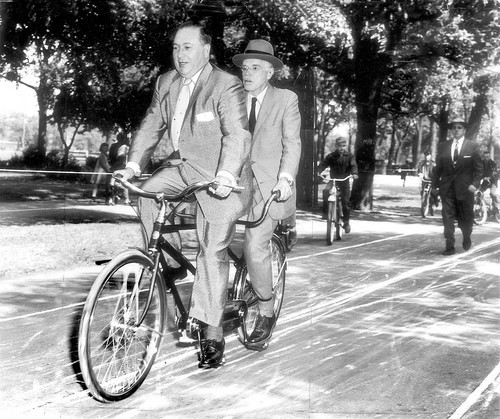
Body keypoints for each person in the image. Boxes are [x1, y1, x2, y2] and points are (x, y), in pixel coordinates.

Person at [115, 19, 252, 368]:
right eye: (176, 47)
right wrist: (132, 166)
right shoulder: (166, 82)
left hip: (225, 177)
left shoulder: (226, 84)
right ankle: (171, 265)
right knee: (145, 193)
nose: (180, 54)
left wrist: (225, 174)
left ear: (206, 50)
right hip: (183, 169)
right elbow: (151, 125)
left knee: (212, 249)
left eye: (187, 47)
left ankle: (211, 331)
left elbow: (236, 135)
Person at [232, 39, 301, 348]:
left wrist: (285, 178)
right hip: (234, 184)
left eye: (255, 68)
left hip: (270, 186)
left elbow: (292, 144)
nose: (247, 74)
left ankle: (265, 310)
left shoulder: (286, 99)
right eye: (245, 68)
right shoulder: (230, 98)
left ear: (270, 72)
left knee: (254, 243)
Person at [432, 120, 483, 255]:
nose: (456, 130)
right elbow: (438, 168)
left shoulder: (473, 146)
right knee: (447, 217)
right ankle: (449, 246)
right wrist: (435, 185)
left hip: (466, 189)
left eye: (459, 128)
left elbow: (479, 169)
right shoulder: (444, 146)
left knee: (466, 217)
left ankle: (466, 236)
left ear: (464, 130)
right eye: (454, 128)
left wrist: (475, 184)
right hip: (447, 188)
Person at [317, 137, 358, 233]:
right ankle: (325, 212)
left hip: (344, 181)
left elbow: (353, 165)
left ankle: (346, 222)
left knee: (345, 201)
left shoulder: (349, 156)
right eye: (339, 146)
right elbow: (323, 164)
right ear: (336, 146)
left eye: (343, 146)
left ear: (346, 146)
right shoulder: (331, 156)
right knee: (326, 192)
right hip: (333, 180)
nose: (341, 148)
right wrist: (317, 171)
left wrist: (354, 173)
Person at [109, 133, 130, 205]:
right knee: (119, 183)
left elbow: (111, 156)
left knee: (114, 183)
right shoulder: (125, 146)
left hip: (116, 166)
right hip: (120, 166)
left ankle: (115, 198)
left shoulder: (114, 146)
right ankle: (122, 198)